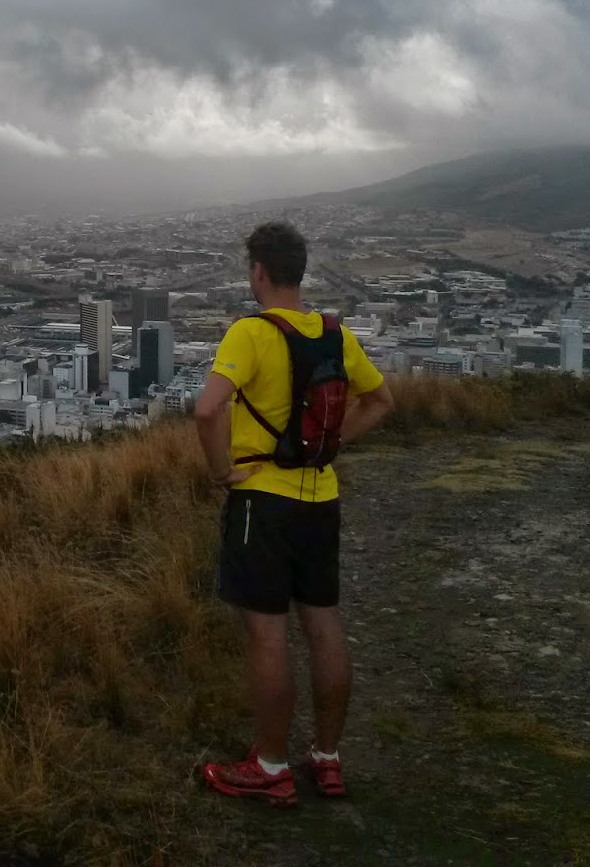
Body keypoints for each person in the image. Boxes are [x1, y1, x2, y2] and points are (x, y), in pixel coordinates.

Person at [194, 221, 395, 808]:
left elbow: (208, 411)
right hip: (320, 496)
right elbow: (381, 401)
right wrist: (329, 447)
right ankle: (327, 761)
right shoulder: (333, 333)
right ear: (300, 270)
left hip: (263, 500)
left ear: (258, 270)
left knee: (268, 632)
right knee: (324, 624)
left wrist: (220, 471)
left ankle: (271, 765)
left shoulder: (249, 333)